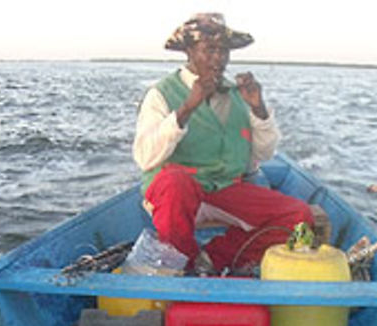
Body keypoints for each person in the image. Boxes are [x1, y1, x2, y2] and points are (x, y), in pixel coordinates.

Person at [133, 13, 314, 275]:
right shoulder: (160, 93)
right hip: (175, 195)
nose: (218, 58)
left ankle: (213, 259)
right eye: (209, 49)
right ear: (189, 51)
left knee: (299, 217)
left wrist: (258, 109)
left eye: (223, 51)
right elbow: (145, 157)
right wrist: (187, 108)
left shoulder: (238, 94)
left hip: (224, 188)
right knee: (175, 182)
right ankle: (180, 267)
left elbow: (263, 153)